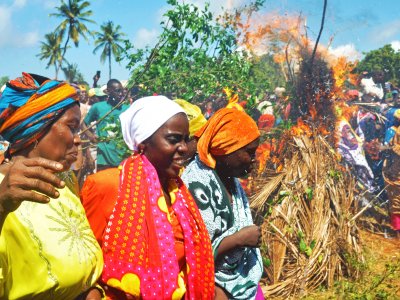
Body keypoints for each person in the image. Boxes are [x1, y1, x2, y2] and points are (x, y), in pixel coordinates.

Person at [0, 73, 103, 299]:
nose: (77, 139)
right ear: (36, 130)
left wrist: (93, 290)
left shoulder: (64, 181)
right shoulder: (4, 192)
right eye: (72, 127)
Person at [100, 96, 215, 299]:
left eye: (185, 139)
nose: (184, 148)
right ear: (143, 142)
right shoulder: (109, 186)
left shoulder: (179, 193)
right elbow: (89, 264)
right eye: (173, 140)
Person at [182, 108, 264, 300]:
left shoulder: (231, 180)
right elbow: (194, 253)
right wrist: (239, 239)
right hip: (212, 285)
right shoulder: (196, 185)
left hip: (241, 280)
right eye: (249, 152)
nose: (254, 160)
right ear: (225, 148)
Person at [83, 79, 129, 171]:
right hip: (103, 159)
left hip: (123, 158)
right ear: (108, 92)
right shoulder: (98, 107)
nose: (121, 94)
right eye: (117, 91)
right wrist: (91, 136)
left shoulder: (127, 108)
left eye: (122, 91)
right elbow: (83, 124)